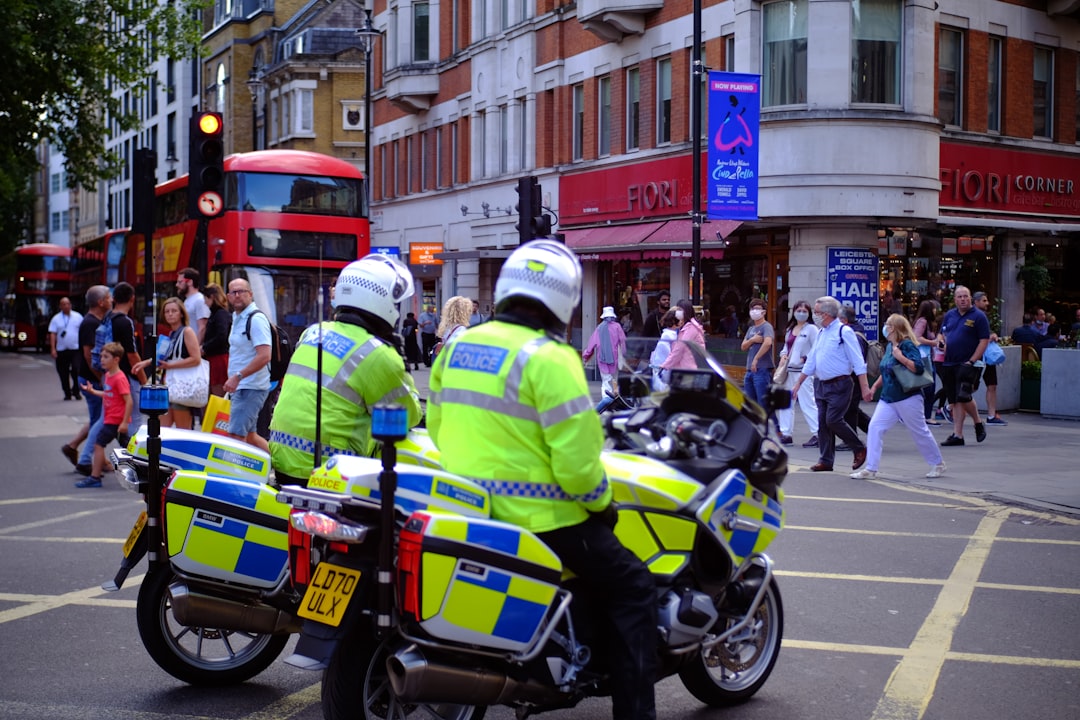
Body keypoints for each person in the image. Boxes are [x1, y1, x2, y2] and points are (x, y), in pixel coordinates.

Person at [428, 239, 658, 720]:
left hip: (466, 506)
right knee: (635, 585)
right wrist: (601, 503)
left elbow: (437, 425)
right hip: (543, 519)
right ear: (562, 299)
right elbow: (577, 464)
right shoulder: (550, 357)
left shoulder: (459, 345)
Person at [270, 254, 422, 486]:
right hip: (330, 470)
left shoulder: (313, 332)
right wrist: (401, 362)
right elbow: (408, 415)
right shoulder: (377, 353)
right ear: (381, 301)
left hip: (283, 460)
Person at [851, 315, 947, 480]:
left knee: (919, 431)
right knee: (875, 427)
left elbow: (917, 368)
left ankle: (937, 463)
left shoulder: (907, 345)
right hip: (888, 397)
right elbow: (887, 370)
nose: (884, 327)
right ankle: (871, 468)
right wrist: (874, 387)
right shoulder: (890, 346)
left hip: (907, 397)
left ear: (893, 328)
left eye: (887, 324)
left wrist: (901, 357)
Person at [790, 296, 872, 472]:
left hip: (840, 384)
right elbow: (811, 361)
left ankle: (859, 447)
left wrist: (865, 387)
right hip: (822, 384)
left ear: (826, 314)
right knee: (823, 424)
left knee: (833, 419)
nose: (815, 315)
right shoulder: (821, 332)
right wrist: (798, 384)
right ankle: (826, 460)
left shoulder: (844, 332)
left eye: (817, 312)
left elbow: (858, 362)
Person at [63, 285, 111, 474]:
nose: (111, 300)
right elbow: (89, 355)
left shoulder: (95, 320)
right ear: (100, 302)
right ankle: (86, 459)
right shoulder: (90, 323)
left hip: (92, 378)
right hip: (92, 380)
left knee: (97, 420)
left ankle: (73, 446)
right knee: (101, 420)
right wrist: (102, 378)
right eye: (108, 297)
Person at [134, 298, 202, 430]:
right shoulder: (171, 333)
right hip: (169, 386)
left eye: (174, 311)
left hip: (182, 386)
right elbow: (163, 357)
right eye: (167, 311)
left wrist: (170, 366)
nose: (170, 314)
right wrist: (146, 363)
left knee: (183, 431)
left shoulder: (187, 331)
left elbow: (196, 358)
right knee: (162, 429)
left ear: (181, 313)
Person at [222, 278, 272, 452]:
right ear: (228, 296)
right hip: (242, 386)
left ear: (250, 294)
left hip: (250, 386)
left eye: (241, 291)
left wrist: (238, 376)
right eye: (233, 292)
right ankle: (278, 465)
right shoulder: (237, 317)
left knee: (236, 436)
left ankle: (235, 475)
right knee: (250, 437)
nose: (237, 295)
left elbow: (265, 355)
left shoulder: (256, 319)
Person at [938, 285, 990, 447]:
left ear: (971, 299)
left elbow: (984, 340)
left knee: (963, 395)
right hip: (949, 361)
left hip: (968, 362)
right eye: (959, 297)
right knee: (955, 398)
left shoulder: (978, 317)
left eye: (965, 296)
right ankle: (958, 434)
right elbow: (941, 332)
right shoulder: (950, 315)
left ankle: (977, 422)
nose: (963, 299)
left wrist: (972, 360)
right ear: (955, 299)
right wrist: (940, 340)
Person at [76, 342, 132, 489]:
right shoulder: (108, 376)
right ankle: (142, 473)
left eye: (106, 357)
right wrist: (93, 391)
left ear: (116, 359)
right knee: (129, 449)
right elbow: (109, 395)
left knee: (99, 444)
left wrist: (125, 422)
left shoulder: (119, 378)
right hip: (112, 419)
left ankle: (95, 477)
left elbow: (129, 401)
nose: (101, 359)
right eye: (101, 356)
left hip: (116, 420)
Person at [776, 301, 820, 448]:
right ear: (794, 312)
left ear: (809, 313)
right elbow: (786, 347)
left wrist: (804, 358)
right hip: (788, 371)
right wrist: (783, 355)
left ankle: (818, 433)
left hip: (803, 372)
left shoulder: (812, 329)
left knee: (808, 403)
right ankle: (786, 433)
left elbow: (817, 349)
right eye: (798, 310)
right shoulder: (791, 329)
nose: (801, 312)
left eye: (804, 310)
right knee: (786, 403)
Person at [109, 282, 147, 444]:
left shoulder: (108, 318)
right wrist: (143, 379)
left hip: (111, 373)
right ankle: (134, 452)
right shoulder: (125, 322)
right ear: (132, 299)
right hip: (127, 374)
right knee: (136, 415)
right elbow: (132, 354)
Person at [838, 305, 872, 446]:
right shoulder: (853, 332)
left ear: (844, 320)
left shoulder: (853, 336)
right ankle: (873, 429)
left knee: (849, 409)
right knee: (851, 408)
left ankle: (850, 439)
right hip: (852, 377)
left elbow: (855, 360)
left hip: (853, 378)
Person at [973, 292, 1007, 426]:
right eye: (984, 300)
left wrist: (990, 335)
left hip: (987, 357)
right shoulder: (973, 316)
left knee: (992, 385)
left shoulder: (984, 317)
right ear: (976, 302)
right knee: (972, 386)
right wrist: (989, 336)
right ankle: (950, 407)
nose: (987, 303)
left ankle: (992, 415)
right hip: (977, 355)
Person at [582, 306, 627, 405]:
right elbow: (623, 341)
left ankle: (606, 400)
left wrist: (586, 356)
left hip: (602, 359)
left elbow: (591, 345)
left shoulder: (599, 328)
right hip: (614, 358)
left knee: (606, 380)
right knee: (614, 379)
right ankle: (615, 397)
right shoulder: (617, 327)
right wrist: (623, 354)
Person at [740, 298, 776, 419]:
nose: (755, 311)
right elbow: (743, 346)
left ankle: (773, 429)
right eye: (753, 309)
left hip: (762, 369)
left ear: (764, 312)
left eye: (758, 309)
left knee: (763, 402)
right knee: (751, 403)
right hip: (749, 370)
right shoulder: (751, 329)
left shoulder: (766, 327)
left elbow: (767, 343)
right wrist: (753, 340)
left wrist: (756, 358)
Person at [911, 300, 941, 425]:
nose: (935, 311)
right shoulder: (923, 322)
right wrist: (933, 342)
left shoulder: (925, 322)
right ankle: (926, 416)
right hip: (924, 358)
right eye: (934, 309)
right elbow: (917, 337)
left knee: (928, 387)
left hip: (928, 357)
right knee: (928, 387)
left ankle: (925, 415)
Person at [48, 297, 83, 401]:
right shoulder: (56, 319)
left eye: (68, 304)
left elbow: (83, 331)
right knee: (63, 372)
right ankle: (67, 393)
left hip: (75, 349)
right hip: (62, 349)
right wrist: (53, 349)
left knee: (77, 369)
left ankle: (76, 391)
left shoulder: (78, 317)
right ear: (60, 306)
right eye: (63, 304)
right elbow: (53, 334)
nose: (66, 306)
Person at [201, 283, 232, 397]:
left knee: (218, 394)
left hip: (218, 359)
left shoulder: (220, 314)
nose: (205, 302)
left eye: (206, 298)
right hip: (215, 359)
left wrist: (205, 347)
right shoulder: (218, 314)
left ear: (212, 297)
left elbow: (221, 336)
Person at [660, 299, 707, 372]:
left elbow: (679, 348)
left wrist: (664, 366)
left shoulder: (691, 328)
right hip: (683, 368)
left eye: (679, 310)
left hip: (687, 369)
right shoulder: (685, 327)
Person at [176, 267, 210, 343]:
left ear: (190, 282)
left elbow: (202, 327)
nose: (177, 285)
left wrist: (196, 349)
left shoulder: (199, 300)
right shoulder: (187, 300)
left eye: (180, 282)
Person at [648, 310, 678, 391]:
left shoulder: (670, 335)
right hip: (664, 372)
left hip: (662, 370)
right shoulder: (669, 336)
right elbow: (667, 357)